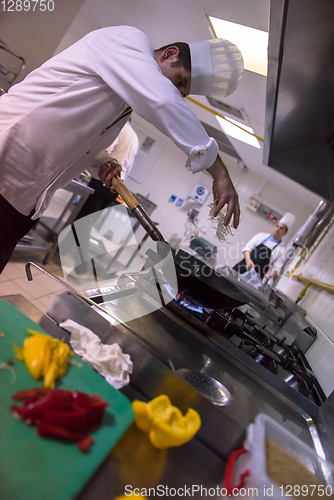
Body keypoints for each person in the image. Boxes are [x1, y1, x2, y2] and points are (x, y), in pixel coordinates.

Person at [0, 26, 244, 273]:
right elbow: (162, 99)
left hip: (23, 199)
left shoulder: (122, 104)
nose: (175, 92)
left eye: (181, 92)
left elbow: (79, 142)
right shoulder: (127, 40)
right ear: (169, 54)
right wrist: (219, 172)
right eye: (178, 82)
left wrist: (102, 160)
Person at [233, 213, 295, 281]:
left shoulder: (281, 250)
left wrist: (272, 274)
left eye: (281, 228)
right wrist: (248, 261)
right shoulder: (261, 236)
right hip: (243, 266)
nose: (277, 229)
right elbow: (247, 248)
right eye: (277, 226)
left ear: (285, 232)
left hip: (255, 278)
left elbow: (277, 267)